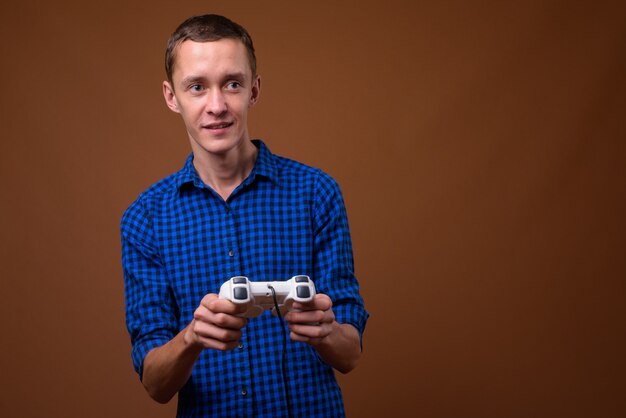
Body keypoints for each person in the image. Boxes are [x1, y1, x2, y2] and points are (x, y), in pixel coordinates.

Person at [121, 14, 368, 417]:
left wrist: (326, 332)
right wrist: (193, 338)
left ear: (253, 90)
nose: (216, 105)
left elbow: (350, 353)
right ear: (171, 96)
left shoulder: (316, 193)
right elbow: (155, 384)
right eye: (197, 87)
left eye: (232, 84)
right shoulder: (144, 219)